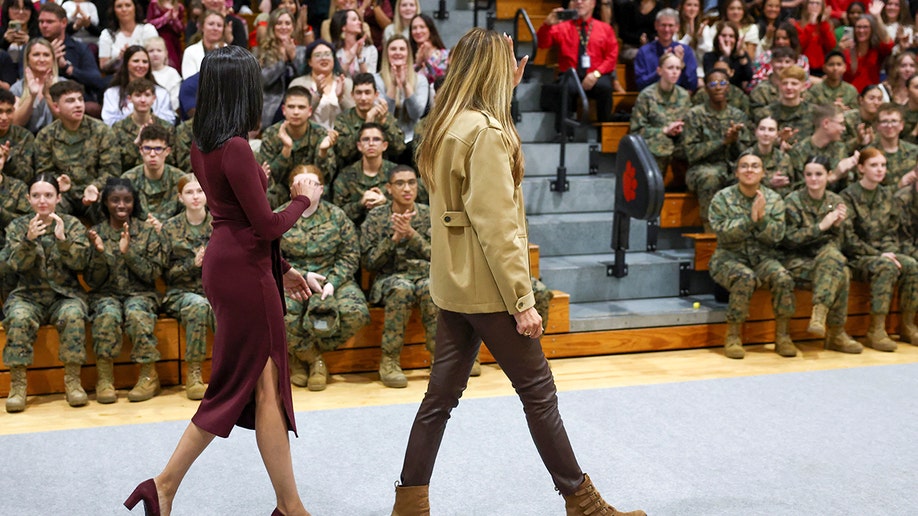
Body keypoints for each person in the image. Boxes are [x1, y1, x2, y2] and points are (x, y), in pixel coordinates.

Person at [390, 28, 645, 516]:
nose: (515, 69)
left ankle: (409, 502)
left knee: (438, 400)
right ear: (490, 70)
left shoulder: (447, 124)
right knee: (539, 395)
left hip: (454, 286)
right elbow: (499, 228)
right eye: (506, 63)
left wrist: (504, 88)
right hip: (489, 290)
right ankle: (583, 503)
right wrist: (523, 300)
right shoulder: (485, 133)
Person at [124, 46, 321, 516]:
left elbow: (238, 222)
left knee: (260, 384)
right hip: (244, 272)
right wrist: (302, 201)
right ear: (241, 88)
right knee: (242, 385)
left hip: (233, 262)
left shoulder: (203, 142)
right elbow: (266, 224)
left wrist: (283, 268)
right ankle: (170, 485)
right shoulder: (234, 147)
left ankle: (282, 505)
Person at [0, 173, 89, 413]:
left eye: (48, 195)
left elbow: (82, 263)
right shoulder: (18, 226)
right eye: (36, 196)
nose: (42, 201)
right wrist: (28, 240)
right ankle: (18, 387)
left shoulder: (70, 225)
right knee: (17, 317)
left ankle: (72, 382)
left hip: (64, 295)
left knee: (73, 314)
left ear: (58, 198)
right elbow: (13, 265)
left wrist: (63, 241)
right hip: (28, 295)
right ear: (28, 199)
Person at [282, 164, 369, 392]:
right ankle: (312, 360)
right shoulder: (279, 217)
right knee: (278, 314)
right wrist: (300, 273)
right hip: (292, 280)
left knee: (356, 312)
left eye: (312, 183)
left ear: (321, 189)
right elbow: (271, 256)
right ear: (291, 189)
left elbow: (350, 254)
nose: (306, 188)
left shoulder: (337, 217)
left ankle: (303, 354)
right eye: (300, 183)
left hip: (332, 278)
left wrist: (333, 281)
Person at [708, 152, 797, 358]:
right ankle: (733, 336)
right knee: (744, 277)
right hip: (728, 258)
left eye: (755, 166)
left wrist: (763, 220)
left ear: (763, 173)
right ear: (737, 172)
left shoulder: (773, 199)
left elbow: (777, 236)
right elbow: (723, 232)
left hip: (762, 259)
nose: (750, 170)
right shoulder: (722, 198)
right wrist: (751, 219)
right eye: (744, 166)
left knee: (783, 277)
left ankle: (783, 336)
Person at [84, 177, 164, 404]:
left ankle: (149, 376)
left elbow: (152, 273)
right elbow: (92, 280)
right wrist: (99, 252)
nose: (121, 205)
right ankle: (105, 379)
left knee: (137, 313)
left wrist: (128, 252)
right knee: (107, 314)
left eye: (127, 200)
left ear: (134, 203)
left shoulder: (147, 232)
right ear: (106, 203)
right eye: (115, 200)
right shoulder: (96, 232)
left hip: (141, 293)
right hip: (105, 294)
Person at [360, 164, 436, 388]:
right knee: (402, 289)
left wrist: (412, 235)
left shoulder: (429, 214)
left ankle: (439, 361)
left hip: (424, 276)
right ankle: (389, 362)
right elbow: (369, 262)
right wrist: (393, 239)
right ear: (389, 188)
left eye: (411, 182)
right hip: (388, 278)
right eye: (400, 183)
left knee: (432, 288)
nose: (407, 188)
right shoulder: (376, 217)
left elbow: (440, 256)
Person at [781, 156, 863, 353]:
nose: (814, 179)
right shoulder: (793, 201)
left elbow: (845, 242)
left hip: (827, 258)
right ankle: (835, 333)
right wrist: (821, 227)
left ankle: (821, 315)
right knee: (840, 270)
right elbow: (788, 240)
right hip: (799, 260)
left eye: (819, 174)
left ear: (828, 175)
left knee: (835, 260)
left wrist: (837, 226)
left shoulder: (835, 201)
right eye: (809, 174)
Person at [840, 147, 918, 350]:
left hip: (883, 253)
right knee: (886, 266)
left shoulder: (887, 196)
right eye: (874, 165)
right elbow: (848, 239)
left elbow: (892, 232)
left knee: (910, 264)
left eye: (883, 165)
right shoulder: (848, 196)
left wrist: (890, 252)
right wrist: (880, 255)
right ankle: (876, 330)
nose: (880, 169)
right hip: (857, 257)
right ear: (861, 168)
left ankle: (907, 325)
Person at [159, 173, 214, 400]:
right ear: (180, 197)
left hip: (215, 290)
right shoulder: (170, 228)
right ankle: (194, 373)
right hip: (179, 292)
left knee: (233, 307)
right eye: (189, 192)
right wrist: (192, 265)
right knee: (199, 306)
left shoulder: (219, 223)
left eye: (200, 191)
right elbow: (163, 273)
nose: (195, 197)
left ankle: (236, 374)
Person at [33, 80, 121, 219]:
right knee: (47, 208)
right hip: (62, 194)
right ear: (56, 107)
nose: (78, 105)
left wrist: (95, 187)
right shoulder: (46, 135)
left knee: (112, 204)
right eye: (70, 101)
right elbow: (43, 171)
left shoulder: (101, 131)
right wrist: (56, 182)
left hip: (94, 190)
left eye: (80, 99)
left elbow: (112, 170)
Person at [684, 68, 754, 229]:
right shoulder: (695, 115)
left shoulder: (738, 116)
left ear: (728, 87)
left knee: (750, 175)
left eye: (722, 83)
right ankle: (710, 231)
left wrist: (735, 141)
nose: (718, 87)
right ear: (706, 88)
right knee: (711, 177)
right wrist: (722, 141)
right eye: (713, 83)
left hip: (732, 166)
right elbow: (691, 152)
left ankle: (744, 229)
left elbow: (746, 152)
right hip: (701, 168)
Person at [537, 0, 619, 124]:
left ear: (593, 3)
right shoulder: (562, 26)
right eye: (575, 0)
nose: (579, 2)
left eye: (584, 0)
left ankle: (603, 131)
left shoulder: (605, 28)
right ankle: (564, 133)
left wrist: (596, 74)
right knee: (565, 88)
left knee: (606, 88)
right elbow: (542, 43)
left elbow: (612, 57)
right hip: (571, 74)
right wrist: (547, 25)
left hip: (595, 75)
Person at [256, 86, 336, 208]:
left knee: (324, 191)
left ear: (309, 111)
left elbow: (326, 177)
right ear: (283, 110)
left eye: (301, 107)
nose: (296, 112)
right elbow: (269, 178)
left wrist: (322, 152)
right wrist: (286, 150)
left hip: (311, 186)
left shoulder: (320, 134)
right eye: (291, 107)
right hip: (283, 188)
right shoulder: (271, 134)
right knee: (267, 195)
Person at [629, 52, 692, 176]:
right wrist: (664, 130)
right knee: (661, 146)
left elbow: (690, 123)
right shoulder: (647, 96)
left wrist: (679, 128)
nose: (675, 72)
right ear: (659, 71)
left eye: (678, 68)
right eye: (670, 68)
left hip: (678, 141)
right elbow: (636, 130)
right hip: (655, 141)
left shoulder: (684, 95)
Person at [332, 72, 406, 171]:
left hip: (383, 172)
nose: (363, 98)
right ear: (352, 95)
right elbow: (343, 152)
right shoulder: (343, 119)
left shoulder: (385, 116)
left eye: (367, 93)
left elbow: (400, 148)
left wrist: (384, 123)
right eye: (358, 93)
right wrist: (366, 124)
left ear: (376, 95)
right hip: (351, 173)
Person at [122, 123, 185, 230]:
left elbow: (188, 216)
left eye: (158, 149)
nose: (152, 154)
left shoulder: (180, 180)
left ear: (167, 151)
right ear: (141, 150)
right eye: (147, 148)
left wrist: (165, 227)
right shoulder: (127, 180)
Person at [333, 121, 397, 225]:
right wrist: (360, 204)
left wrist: (386, 203)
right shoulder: (345, 176)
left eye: (376, 139)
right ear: (359, 146)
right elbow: (336, 214)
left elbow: (408, 208)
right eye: (366, 139)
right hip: (355, 231)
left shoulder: (397, 174)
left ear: (384, 146)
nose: (371, 143)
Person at [374, 34, 429, 148]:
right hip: (385, 138)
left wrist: (405, 84)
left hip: (412, 141)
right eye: (393, 49)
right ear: (386, 53)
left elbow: (416, 114)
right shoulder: (376, 80)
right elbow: (386, 114)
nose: (397, 52)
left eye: (402, 49)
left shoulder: (421, 80)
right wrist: (393, 85)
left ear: (408, 53)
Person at [256, 8, 307, 130]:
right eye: (279, 23)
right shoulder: (262, 51)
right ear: (272, 27)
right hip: (271, 105)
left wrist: (293, 58)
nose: (283, 27)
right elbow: (263, 81)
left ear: (293, 27)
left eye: (287, 23)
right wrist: (282, 60)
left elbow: (306, 79)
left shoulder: (302, 52)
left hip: (297, 103)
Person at [111, 78, 177, 172]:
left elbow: (172, 160)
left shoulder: (166, 127)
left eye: (147, 95)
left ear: (154, 98)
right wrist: (136, 144)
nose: (143, 100)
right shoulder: (118, 128)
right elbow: (118, 162)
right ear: (130, 99)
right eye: (138, 95)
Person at [101, 45, 177, 125]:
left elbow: (169, 121)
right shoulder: (112, 93)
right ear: (126, 64)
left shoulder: (161, 93)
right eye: (136, 61)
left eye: (145, 62)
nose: (141, 65)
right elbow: (109, 122)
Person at [289, 39, 354, 130]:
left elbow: (355, 117)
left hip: (341, 138)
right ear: (309, 62)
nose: (323, 58)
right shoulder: (299, 84)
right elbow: (296, 115)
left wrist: (341, 99)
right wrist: (318, 95)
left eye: (327, 54)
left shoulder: (346, 83)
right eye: (318, 55)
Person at [635, 8, 699, 92]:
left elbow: (692, 84)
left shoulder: (685, 51)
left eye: (670, 25)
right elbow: (640, 84)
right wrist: (660, 71)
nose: (666, 30)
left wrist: (681, 65)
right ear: (656, 25)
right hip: (651, 98)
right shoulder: (644, 51)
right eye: (663, 25)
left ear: (677, 27)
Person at [9, 38, 61, 134]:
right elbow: (16, 124)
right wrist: (32, 96)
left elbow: (68, 122)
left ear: (53, 59)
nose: (41, 59)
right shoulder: (16, 88)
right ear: (28, 59)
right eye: (36, 55)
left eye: (46, 55)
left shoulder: (64, 85)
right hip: (26, 143)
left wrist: (48, 95)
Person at [838, 7, 894, 92]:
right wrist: (840, 51)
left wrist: (877, 17)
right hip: (848, 95)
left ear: (872, 29)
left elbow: (888, 43)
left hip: (870, 95)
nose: (861, 30)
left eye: (865, 27)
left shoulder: (877, 50)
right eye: (858, 27)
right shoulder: (846, 48)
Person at [98, 0, 158, 74]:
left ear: (135, 8)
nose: (124, 9)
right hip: (118, 77)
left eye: (128, 5)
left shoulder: (148, 29)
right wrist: (118, 58)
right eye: (119, 6)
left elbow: (157, 57)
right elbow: (103, 66)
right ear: (114, 10)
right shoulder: (107, 34)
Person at [869, 102, 918, 186]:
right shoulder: (868, 154)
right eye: (884, 121)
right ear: (878, 126)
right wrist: (900, 185)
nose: (889, 126)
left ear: (901, 125)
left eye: (894, 121)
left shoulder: (915, 151)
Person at [746, 116, 795, 197]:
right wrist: (769, 183)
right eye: (762, 129)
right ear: (756, 132)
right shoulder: (747, 157)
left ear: (777, 134)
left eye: (771, 130)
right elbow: (741, 186)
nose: (766, 133)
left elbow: (791, 186)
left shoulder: (784, 158)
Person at [330, 8, 377, 79]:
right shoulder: (333, 51)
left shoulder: (370, 49)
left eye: (359, 19)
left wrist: (360, 57)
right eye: (354, 20)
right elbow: (334, 77)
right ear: (343, 27)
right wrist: (349, 57)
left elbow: (370, 80)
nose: (360, 22)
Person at [792, 0, 836, 77]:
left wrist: (823, 24)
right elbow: (799, 46)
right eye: (811, 3)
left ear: (822, 7)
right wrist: (811, 25)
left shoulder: (826, 25)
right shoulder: (798, 25)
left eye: (817, 3)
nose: (814, 6)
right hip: (802, 67)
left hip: (822, 69)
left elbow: (831, 46)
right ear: (806, 6)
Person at [0, 89, 35, 184]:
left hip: (15, 193)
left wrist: (9, 159)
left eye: (8, 112)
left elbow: (28, 176)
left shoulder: (24, 137)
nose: (4, 117)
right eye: (0, 112)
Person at [181, 10, 227, 79]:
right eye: (211, 24)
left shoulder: (230, 51)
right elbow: (189, 81)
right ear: (202, 27)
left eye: (219, 25)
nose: (215, 28)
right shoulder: (190, 51)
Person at [146, 36, 183, 114]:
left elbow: (175, 99)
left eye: (159, 50)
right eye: (151, 51)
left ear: (166, 53)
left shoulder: (172, 73)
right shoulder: (143, 72)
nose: (155, 54)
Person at [409, 14, 449, 83]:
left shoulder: (444, 55)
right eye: (414, 28)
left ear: (430, 29)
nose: (418, 31)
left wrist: (427, 63)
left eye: (422, 27)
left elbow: (441, 81)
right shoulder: (406, 55)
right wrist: (418, 65)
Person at [146, 0, 185, 69]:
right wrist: (165, 18)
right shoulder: (154, 4)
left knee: (176, 65)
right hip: (158, 39)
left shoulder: (179, 7)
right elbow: (149, 24)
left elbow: (181, 29)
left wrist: (175, 19)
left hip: (174, 42)